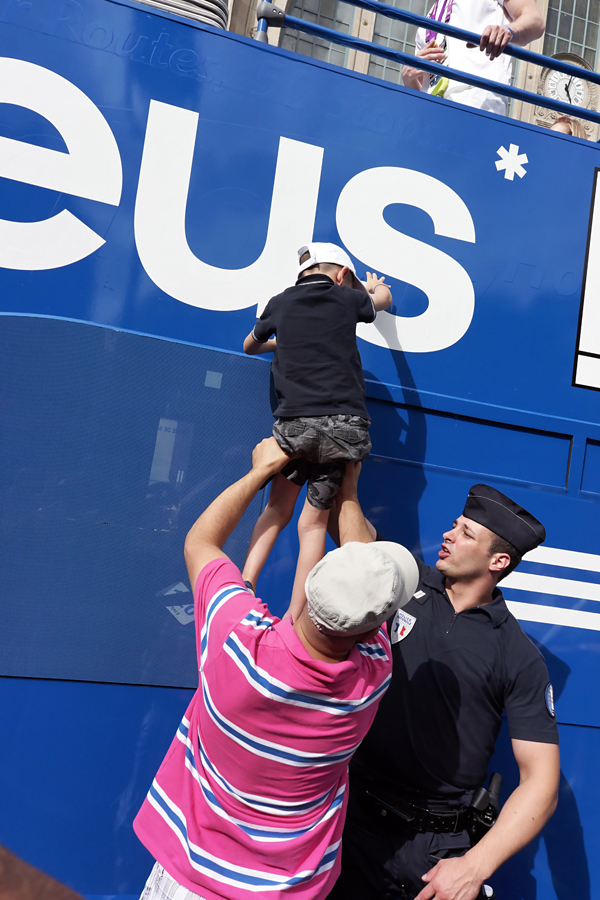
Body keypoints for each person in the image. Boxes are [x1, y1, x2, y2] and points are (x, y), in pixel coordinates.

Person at [133, 439, 419, 900]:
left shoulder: (238, 643)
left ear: (308, 590)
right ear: (372, 629)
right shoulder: (371, 678)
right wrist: (343, 497)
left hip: (187, 879)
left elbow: (200, 542)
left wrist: (260, 472)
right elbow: (364, 582)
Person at [327, 483, 560, 900]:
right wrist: (346, 476)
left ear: (499, 560)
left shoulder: (518, 655)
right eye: (455, 525)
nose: (449, 534)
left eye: (467, 533)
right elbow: (357, 545)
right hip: (351, 821)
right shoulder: (405, 583)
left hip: (434, 856)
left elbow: (541, 782)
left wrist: (474, 867)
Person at [241, 243, 392, 621]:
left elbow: (250, 345)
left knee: (277, 509)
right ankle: (295, 616)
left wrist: (285, 342)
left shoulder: (280, 302)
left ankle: (244, 583)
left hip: (295, 426)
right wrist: (371, 287)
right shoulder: (345, 299)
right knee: (313, 525)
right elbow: (384, 299)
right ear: (342, 275)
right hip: (342, 428)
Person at [402, 0, 544, 115]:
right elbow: (421, 90)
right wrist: (409, 79)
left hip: (476, 96)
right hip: (432, 110)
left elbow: (535, 21)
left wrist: (508, 30)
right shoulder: (426, 23)